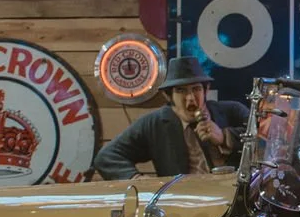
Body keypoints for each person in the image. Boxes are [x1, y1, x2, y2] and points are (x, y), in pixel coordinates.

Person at [94, 55, 249, 181]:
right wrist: (136, 179)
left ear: (206, 90)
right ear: (169, 96)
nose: (191, 99)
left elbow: (264, 141)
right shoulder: (155, 123)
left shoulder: (232, 111)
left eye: (196, 89)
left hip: (230, 196)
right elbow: (106, 157)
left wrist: (225, 137)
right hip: (181, 201)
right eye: (181, 91)